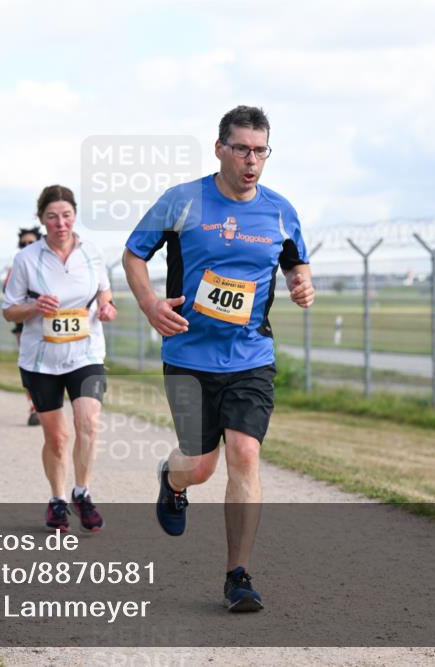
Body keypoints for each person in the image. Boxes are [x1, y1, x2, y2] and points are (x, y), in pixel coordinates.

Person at [122, 106, 315, 612]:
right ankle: (173, 479)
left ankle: (238, 576)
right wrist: (150, 304)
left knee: (245, 454)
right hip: (188, 353)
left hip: (251, 355)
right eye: (242, 149)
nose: (252, 161)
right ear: (220, 149)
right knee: (200, 466)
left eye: (260, 151)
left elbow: (296, 262)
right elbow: (133, 254)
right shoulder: (182, 200)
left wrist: (302, 284)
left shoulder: (279, 210)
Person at [2, 185, 117, 532]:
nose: (61, 223)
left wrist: (107, 306)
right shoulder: (26, 259)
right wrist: (34, 307)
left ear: (75, 215)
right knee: (57, 438)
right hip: (41, 360)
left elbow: (103, 289)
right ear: (41, 220)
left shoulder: (92, 252)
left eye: (66, 215)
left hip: (86, 353)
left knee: (88, 423)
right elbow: (9, 311)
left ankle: (82, 492)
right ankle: (57, 499)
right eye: (52, 217)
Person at [5, 226, 43, 426]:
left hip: (51, 321)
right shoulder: (17, 266)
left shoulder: (50, 263)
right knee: (29, 365)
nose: (27, 246)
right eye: (23, 243)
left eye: (31, 242)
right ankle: (34, 406)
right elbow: (9, 297)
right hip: (24, 323)